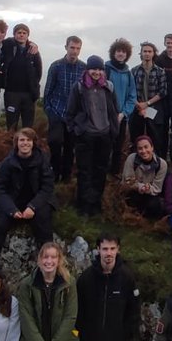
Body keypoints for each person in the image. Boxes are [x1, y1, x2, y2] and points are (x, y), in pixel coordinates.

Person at [0, 128, 57, 265]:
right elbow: (0, 189)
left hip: (37, 201)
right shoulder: (7, 163)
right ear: (16, 143)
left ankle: (50, 265)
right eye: (22, 140)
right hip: (12, 202)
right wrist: (12, 210)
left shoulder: (43, 161)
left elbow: (47, 188)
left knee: (44, 225)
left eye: (28, 140)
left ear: (33, 143)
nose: (25, 143)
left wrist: (32, 207)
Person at [76, 233, 140, 341]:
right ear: (98, 249)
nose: (109, 253)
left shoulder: (127, 278)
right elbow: (77, 312)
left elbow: (134, 313)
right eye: (105, 249)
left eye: (112, 248)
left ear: (118, 249)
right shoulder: (86, 279)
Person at [65, 55, 120, 216]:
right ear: (87, 70)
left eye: (99, 69)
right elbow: (70, 113)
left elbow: (114, 109)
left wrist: (113, 131)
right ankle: (83, 205)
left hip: (105, 135)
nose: (96, 72)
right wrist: (76, 130)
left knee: (100, 170)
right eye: (93, 69)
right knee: (84, 171)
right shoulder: (79, 87)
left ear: (103, 70)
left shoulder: (109, 87)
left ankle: (96, 204)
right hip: (85, 135)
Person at [17, 242, 80, 341]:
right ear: (39, 260)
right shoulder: (26, 285)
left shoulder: (69, 283)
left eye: (53, 257)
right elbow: (27, 321)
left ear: (59, 260)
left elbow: (70, 317)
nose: (49, 261)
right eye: (45, 257)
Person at [43, 36, 87, 182]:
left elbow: (85, 92)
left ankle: (66, 176)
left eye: (77, 48)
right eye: (72, 47)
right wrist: (49, 110)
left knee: (70, 146)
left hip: (74, 114)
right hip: (57, 110)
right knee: (55, 142)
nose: (74, 51)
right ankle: (54, 173)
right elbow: (48, 91)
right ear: (66, 47)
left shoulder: (83, 68)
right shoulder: (56, 66)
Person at [130, 41, 169, 158]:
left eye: (149, 51)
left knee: (156, 139)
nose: (147, 54)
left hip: (154, 109)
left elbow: (163, 92)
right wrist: (139, 106)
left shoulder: (160, 71)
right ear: (141, 54)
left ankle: (158, 164)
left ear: (153, 54)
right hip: (137, 109)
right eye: (145, 51)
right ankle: (136, 164)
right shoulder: (134, 71)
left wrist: (147, 104)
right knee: (136, 140)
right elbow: (131, 91)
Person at [105, 39, 137, 175]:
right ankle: (101, 175)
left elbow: (132, 96)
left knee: (118, 147)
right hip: (105, 116)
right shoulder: (105, 69)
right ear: (113, 52)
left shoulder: (128, 73)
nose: (120, 54)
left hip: (121, 117)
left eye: (123, 52)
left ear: (127, 54)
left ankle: (114, 175)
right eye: (118, 51)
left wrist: (124, 113)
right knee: (105, 146)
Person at [120, 135, 169, 219]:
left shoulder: (162, 164)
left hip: (151, 193)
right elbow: (127, 181)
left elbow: (157, 187)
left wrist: (148, 189)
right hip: (133, 191)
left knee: (155, 206)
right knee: (132, 199)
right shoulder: (131, 159)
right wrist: (140, 187)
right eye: (140, 148)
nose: (143, 151)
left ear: (152, 148)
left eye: (146, 147)